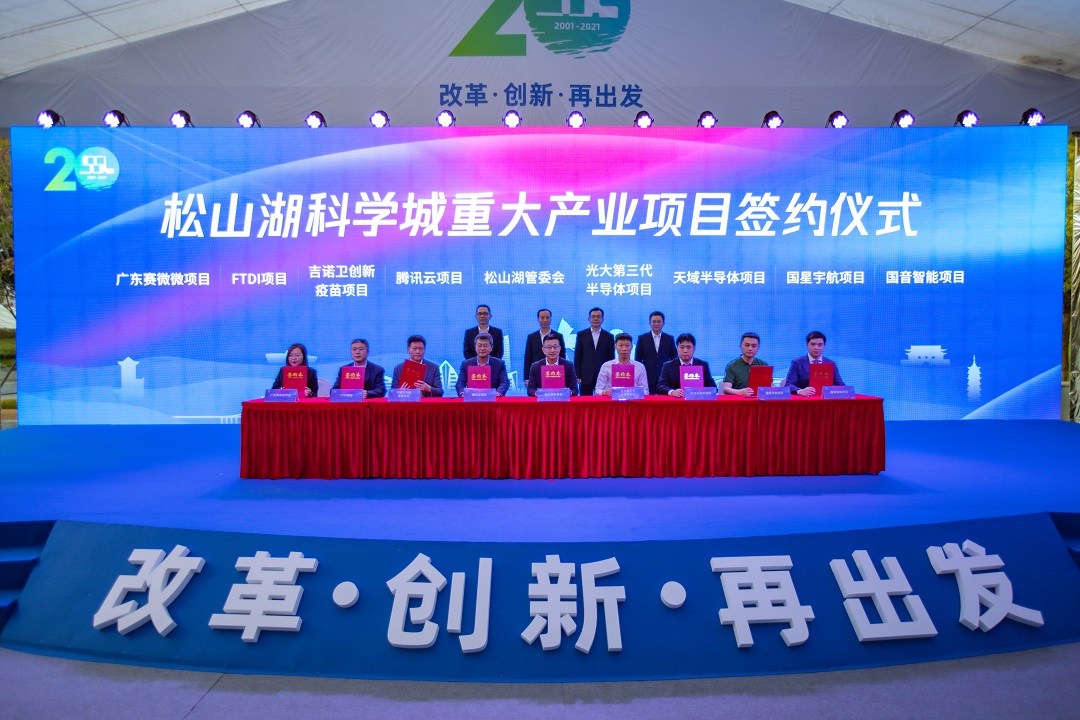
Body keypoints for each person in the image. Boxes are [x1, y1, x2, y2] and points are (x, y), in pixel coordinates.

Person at [784, 331, 845, 396]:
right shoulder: (797, 363)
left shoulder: (831, 363)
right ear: (807, 345)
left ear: (824, 345)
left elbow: (840, 385)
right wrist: (800, 391)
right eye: (813, 344)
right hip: (805, 399)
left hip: (825, 399)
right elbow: (789, 384)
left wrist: (830, 390)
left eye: (820, 345)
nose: (816, 348)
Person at [658, 333, 716, 397]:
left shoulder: (702, 365)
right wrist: (672, 392)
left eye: (688, 347)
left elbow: (713, 387)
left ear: (694, 349)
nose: (685, 351)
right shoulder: (668, 366)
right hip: (677, 401)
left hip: (697, 400)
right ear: (677, 349)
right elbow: (661, 386)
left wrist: (700, 391)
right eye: (682, 347)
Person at [574, 307, 614, 396]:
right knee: (585, 401)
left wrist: (610, 376)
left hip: (603, 375)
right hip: (585, 375)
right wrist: (578, 375)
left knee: (602, 401)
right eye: (593, 316)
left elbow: (611, 358)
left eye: (598, 316)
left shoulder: (609, 336)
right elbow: (578, 356)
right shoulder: (581, 335)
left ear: (602, 319)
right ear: (589, 319)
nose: (596, 319)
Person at [635, 310, 676, 395]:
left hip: (665, 378)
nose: (656, 324)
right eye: (654, 321)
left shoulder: (669, 339)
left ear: (663, 323)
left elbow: (674, 359)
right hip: (647, 377)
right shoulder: (642, 338)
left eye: (659, 321)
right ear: (650, 323)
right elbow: (638, 360)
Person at [523, 308, 565, 387]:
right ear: (538, 319)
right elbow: (528, 358)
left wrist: (563, 374)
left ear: (550, 319)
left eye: (547, 317)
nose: (545, 320)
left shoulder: (558, 336)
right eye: (542, 318)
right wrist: (527, 378)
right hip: (536, 373)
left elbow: (562, 356)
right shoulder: (532, 337)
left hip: (555, 373)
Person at [723, 332, 769, 397]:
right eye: (747, 345)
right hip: (739, 401)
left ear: (758, 348)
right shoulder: (732, 366)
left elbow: (770, 387)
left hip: (759, 400)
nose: (750, 349)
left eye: (754, 346)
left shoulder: (763, 365)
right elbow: (726, 389)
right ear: (741, 346)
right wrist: (740, 392)